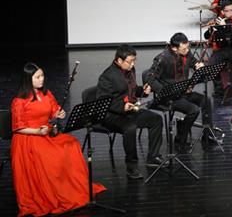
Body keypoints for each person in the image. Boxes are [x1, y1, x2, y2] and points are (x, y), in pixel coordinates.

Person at [11, 63, 106, 216]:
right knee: (51, 155)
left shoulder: (46, 93)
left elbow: (53, 110)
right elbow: (18, 127)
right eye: (38, 77)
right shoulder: (19, 101)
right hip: (28, 137)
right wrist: (36, 131)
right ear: (28, 79)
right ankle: (56, 189)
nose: (42, 79)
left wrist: (58, 113)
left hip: (45, 132)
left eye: (42, 76)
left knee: (71, 143)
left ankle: (71, 186)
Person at [96, 45, 165, 180]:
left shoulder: (130, 69)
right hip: (112, 115)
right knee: (130, 128)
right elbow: (102, 100)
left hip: (130, 111)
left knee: (156, 119)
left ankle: (153, 156)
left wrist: (142, 90)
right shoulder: (107, 76)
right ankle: (131, 166)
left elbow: (131, 90)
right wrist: (122, 106)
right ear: (119, 60)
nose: (132, 64)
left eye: (134, 61)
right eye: (130, 62)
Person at [144, 32, 211, 148]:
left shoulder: (186, 53)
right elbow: (149, 77)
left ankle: (208, 135)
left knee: (206, 100)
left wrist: (199, 66)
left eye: (188, 47)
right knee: (194, 110)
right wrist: (163, 91)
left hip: (183, 92)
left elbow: (193, 62)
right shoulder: (162, 58)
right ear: (174, 48)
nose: (187, 50)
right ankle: (180, 138)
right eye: (184, 49)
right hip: (169, 96)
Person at [205, 0, 232, 71]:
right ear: (222, 12)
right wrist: (210, 29)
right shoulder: (219, 21)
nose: (231, 13)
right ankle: (218, 79)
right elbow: (206, 36)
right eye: (228, 11)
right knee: (211, 66)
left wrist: (224, 27)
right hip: (221, 49)